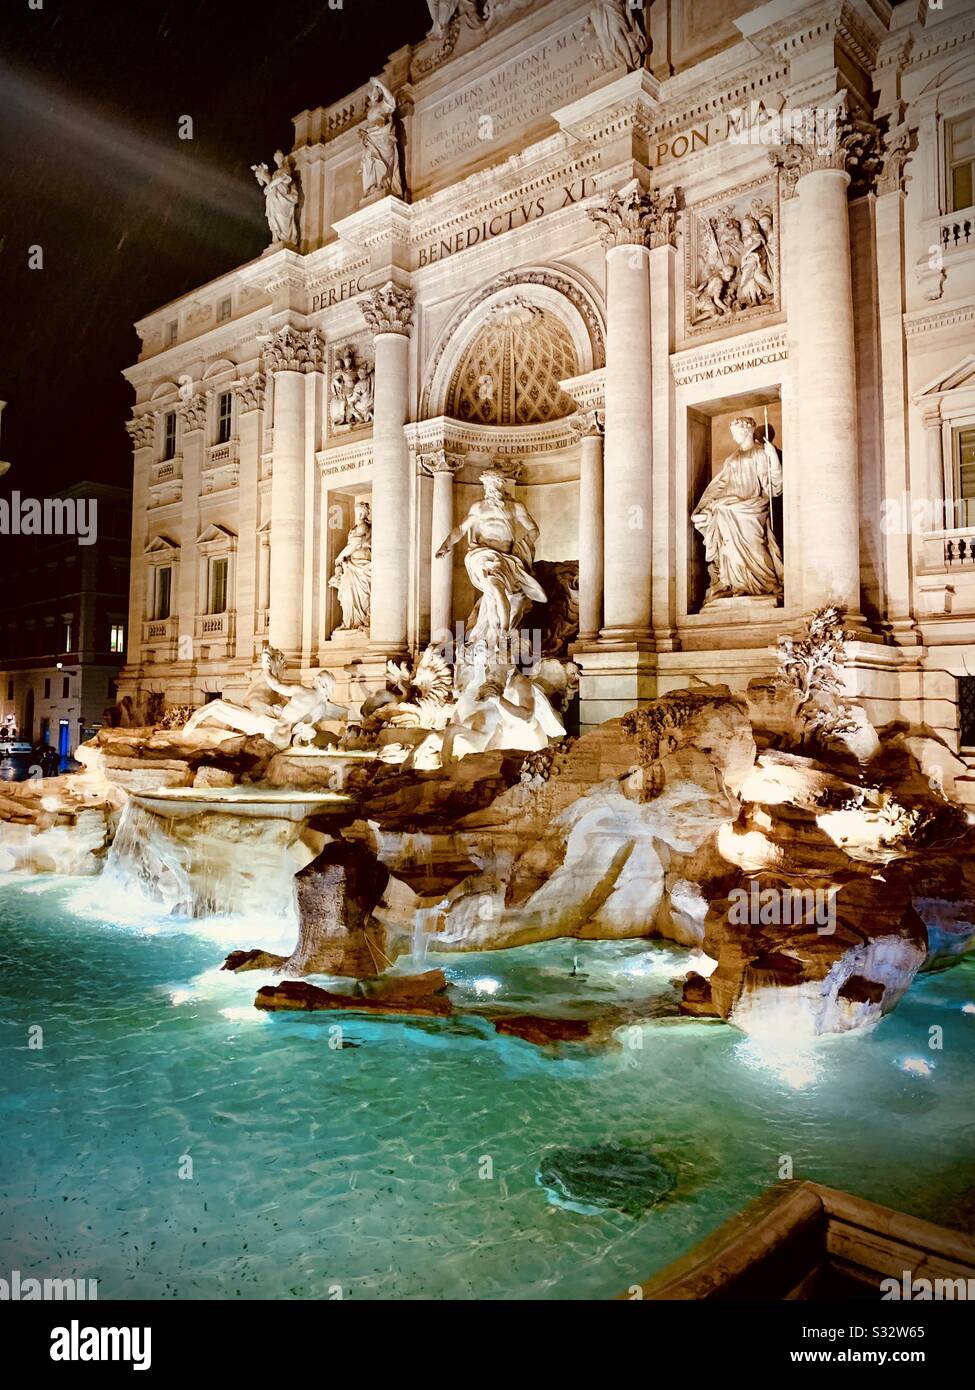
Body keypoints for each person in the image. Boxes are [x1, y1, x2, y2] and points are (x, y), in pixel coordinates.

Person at [691, 416, 783, 603]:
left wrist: (773, 457)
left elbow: (772, 487)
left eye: (736, 433)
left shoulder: (760, 453)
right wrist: (704, 506)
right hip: (729, 506)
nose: (733, 437)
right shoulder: (732, 459)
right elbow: (720, 485)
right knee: (724, 527)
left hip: (752, 507)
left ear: (747, 431)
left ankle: (767, 583)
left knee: (755, 544)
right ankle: (737, 584)